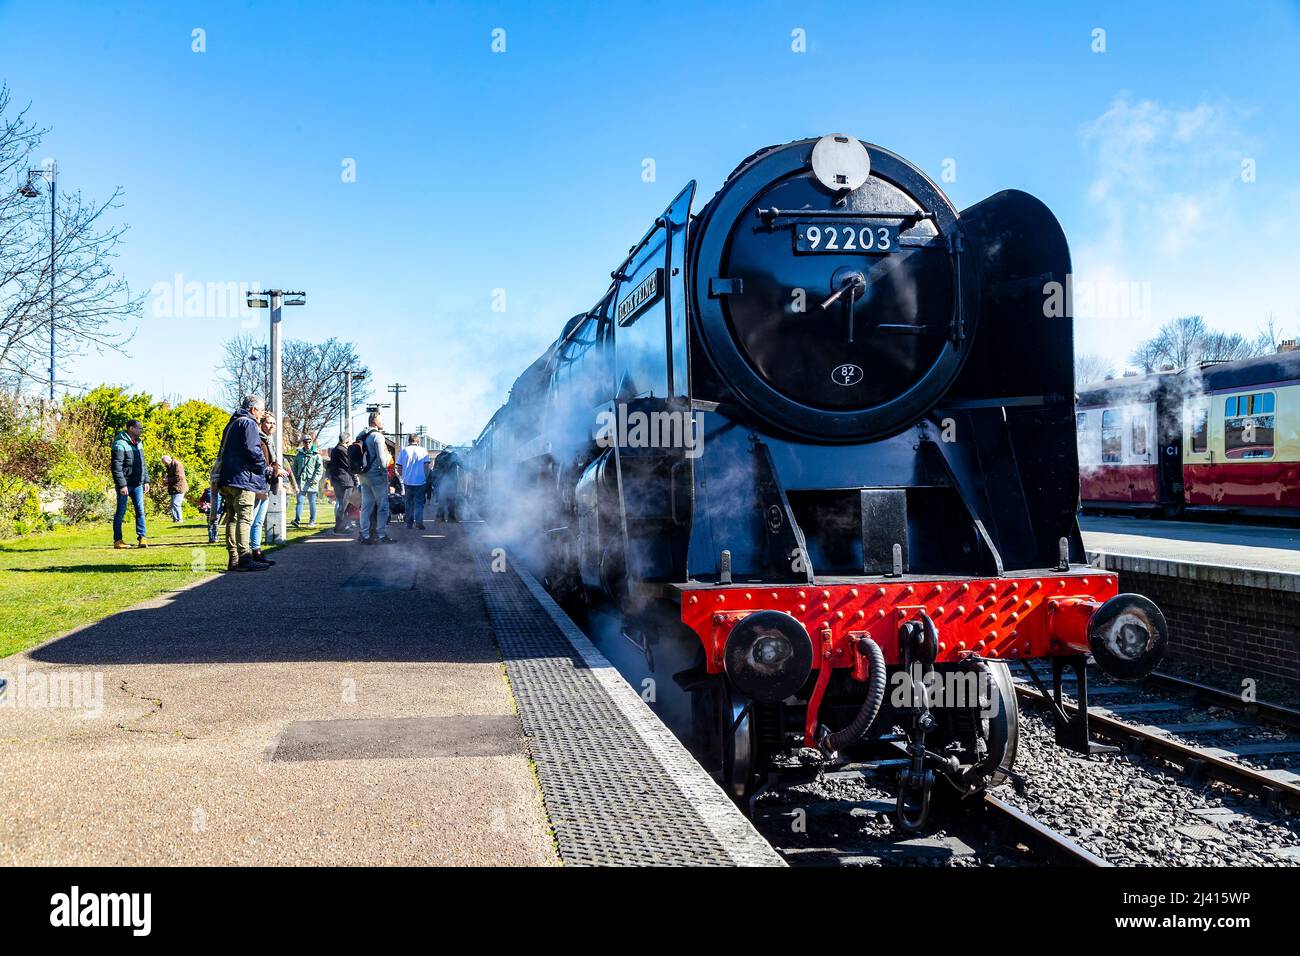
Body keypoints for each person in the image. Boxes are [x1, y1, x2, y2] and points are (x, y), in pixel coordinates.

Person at [216, 395, 272, 572]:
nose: (262, 415)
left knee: (232, 518)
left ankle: (233, 558)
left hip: (228, 478)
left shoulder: (231, 424)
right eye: (261, 411)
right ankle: (245, 557)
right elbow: (253, 450)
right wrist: (262, 466)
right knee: (244, 518)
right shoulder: (249, 423)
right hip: (243, 479)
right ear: (253, 409)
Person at [249, 413, 291, 565]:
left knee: (259, 521)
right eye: (268, 422)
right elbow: (258, 464)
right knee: (251, 519)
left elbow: (273, 461)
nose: (272, 426)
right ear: (261, 423)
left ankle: (257, 551)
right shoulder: (257, 438)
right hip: (256, 484)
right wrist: (275, 471)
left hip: (266, 485)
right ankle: (247, 552)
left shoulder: (269, 440)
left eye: (274, 423)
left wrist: (277, 469)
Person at [356, 411, 394, 545]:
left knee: (366, 506)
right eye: (381, 420)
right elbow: (382, 460)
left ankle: (365, 535)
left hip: (363, 475)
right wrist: (385, 477)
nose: (383, 422)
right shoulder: (377, 436)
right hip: (376, 476)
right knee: (383, 506)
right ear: (374, 422)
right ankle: (381, 534)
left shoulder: (362, 435)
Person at [111, 419, 150, 549]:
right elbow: (116, 467)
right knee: (120, 512)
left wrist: (146, 480)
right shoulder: (119, 444)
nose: (141, 430)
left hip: (138, 484)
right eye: (139, 428)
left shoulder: (139, 443)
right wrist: (122, 485)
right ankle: (118, 540)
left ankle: (142, 538)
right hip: (125, 484)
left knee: (140, 511)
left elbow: (143, 464)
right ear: (131, 429)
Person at [396, 434, 429, 530]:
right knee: (419, 503)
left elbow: (399, 466)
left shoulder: (404, 451)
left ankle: (409, 523)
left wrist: (403, 476)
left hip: (407, 481)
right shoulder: (423, 450)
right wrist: (426, 477)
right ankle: (419, 522)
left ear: (408, 441)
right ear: (418, 441)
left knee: (408, 503)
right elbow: (426, 466)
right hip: (420, 481)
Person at [291, 435, 323, 528]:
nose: (307, 443)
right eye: (305, 442)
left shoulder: (317, 455)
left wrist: (315, 479)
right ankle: (297, 521)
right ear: (303, 443)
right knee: (300, 502)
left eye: (309, 442)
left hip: (312, 482)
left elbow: (319, 470)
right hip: (301, 482)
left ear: (312, 442)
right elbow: (294, 468)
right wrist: (294, 480)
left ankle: (312, 521)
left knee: (312, 503)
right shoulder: (299, 455)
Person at [326, 435, 355, 535]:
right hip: (345, 481)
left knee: (343, 504)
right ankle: (339, 527)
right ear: (346, 440)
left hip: (338, 481)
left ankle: (343, 525)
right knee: (344, 504)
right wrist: (356, 480)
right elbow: (350, 465)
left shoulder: (335, 449)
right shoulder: (343, 450)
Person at [160, 454, 189, 522]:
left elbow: (179, 477)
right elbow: (171, 475)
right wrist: (166, 479)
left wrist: (168, 480)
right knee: (173, 504)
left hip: (180, 487)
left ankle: (179, 520)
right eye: (164, 463)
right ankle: (175, 520)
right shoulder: (169, 465)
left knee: (176, 503)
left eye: (165, 463)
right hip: (173, 488)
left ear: (169, 460)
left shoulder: (177, 464)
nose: (165, 464)